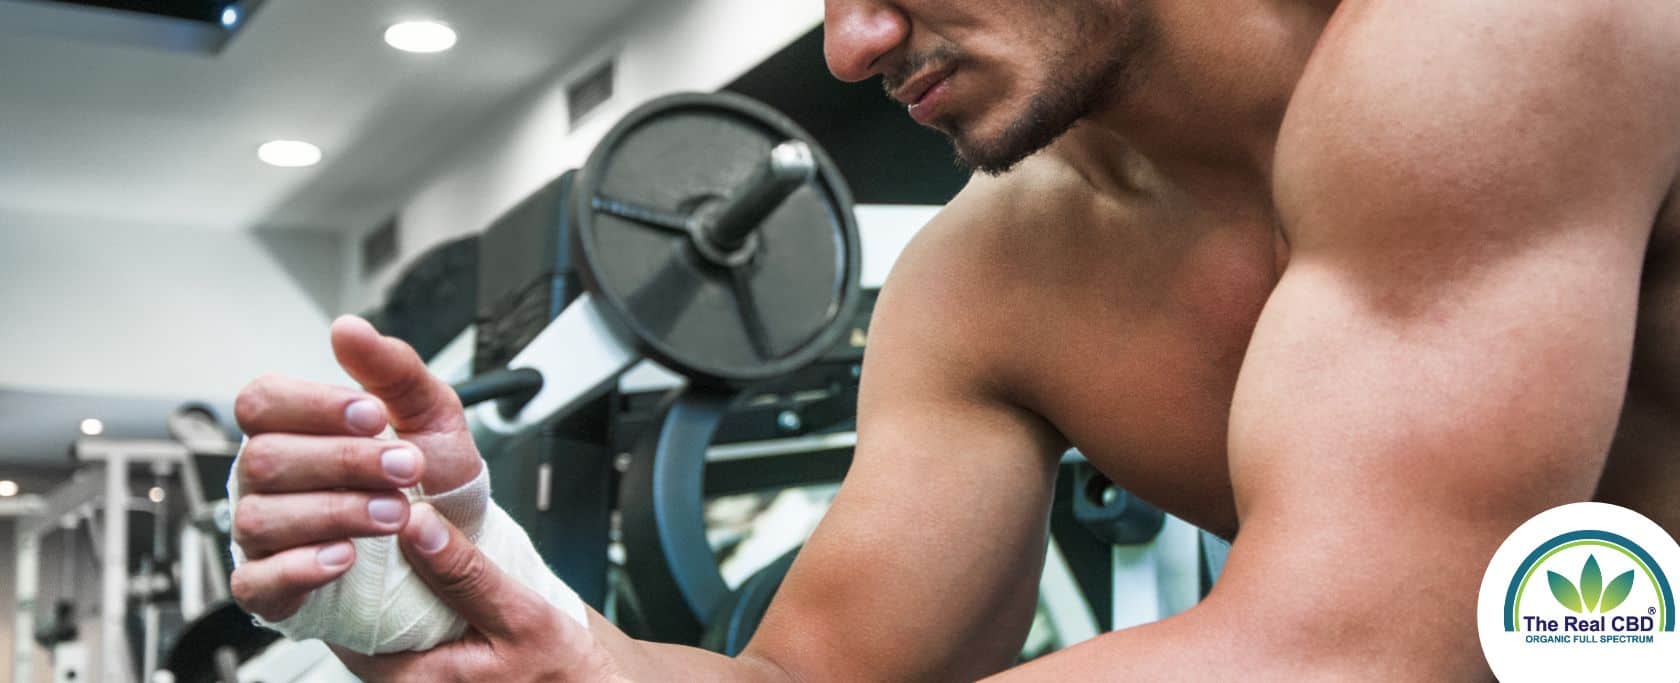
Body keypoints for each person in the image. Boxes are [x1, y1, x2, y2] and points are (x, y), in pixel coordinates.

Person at [226, 1, 1680, 679]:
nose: (853, 44)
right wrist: (490, 605)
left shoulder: (1507, 26)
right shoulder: (990, 277)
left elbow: (1351, 659)